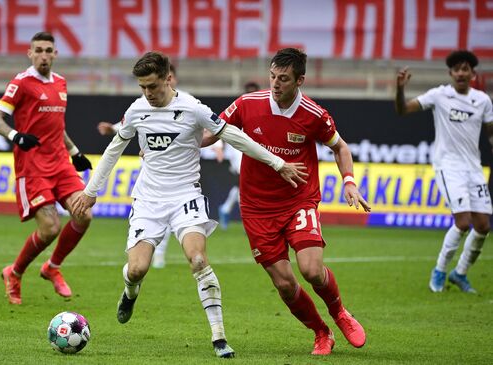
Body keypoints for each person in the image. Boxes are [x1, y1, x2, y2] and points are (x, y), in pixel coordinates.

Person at [73, 51, 307, 358]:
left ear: (168, 78)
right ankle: (130, 291)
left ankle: (219, 337)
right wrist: (91, 191)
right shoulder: (137, 111)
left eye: (153, 86)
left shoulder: (192, 108)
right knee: (137, 269)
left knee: (198, 260)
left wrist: (277, 163)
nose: (148, 94)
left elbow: (234, 135)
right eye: (142, 87)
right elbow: (114, 150)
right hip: (149, 200)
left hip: (186, 195)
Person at [205, 48, 371, 356]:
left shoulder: (314, 114)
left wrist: (349, 181)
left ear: (300, 80)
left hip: (298, 199)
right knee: (284, 284)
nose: (276, 83)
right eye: (272, 76)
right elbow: (211, 133)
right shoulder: (247, 104)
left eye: (283, 78)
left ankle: (340, 312)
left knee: (311, 270)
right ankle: (321, 332)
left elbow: (341, 147)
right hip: (256, 207)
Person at [0, 31, 93, 305]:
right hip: (33, 166)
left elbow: (57, 127)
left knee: (84, 215)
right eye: (39, 50)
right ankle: (14, 272)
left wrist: (75, 152)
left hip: (60, 163)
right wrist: (16, 136)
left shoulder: (60, 83)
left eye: (48, 50)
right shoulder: (21, 83)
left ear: (55, 54)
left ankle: (52, 267)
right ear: (30, 53)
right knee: (49, 228)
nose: (44, 55)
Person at [395, 50, 493, 294]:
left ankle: (459, 273)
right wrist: (400, 90)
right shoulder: (439, 95)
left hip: (474, 167)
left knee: (482, 226)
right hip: (448, 166)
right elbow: (403, 110)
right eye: (457, 69)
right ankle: (439, 270)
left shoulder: (482, 100)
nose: (461, 72)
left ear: (472, 74)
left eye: (465, 69)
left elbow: (491, 132)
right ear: (450, 73)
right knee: (463, 221)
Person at [96, 64, 181, 269]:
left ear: (170, 79)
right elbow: (132, 121)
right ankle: (142, 252)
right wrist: (113, 129)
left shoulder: (185, 104)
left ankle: (158, 255)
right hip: (152, 170)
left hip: (177, 173)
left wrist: (216, 146)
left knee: (171, 215)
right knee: (149, 214)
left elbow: (205, 128)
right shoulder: (145, 103)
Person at [217, 81, 261, 229]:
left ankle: (226, 209)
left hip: (253, 149)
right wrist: (221, 148)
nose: (251, 95)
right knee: (245, 183)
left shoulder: (262, 109)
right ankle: (248, 220)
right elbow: (223, 127)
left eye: (253, 92)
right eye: (248, 92)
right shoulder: (239, 107)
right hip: (238, 149)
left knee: (242, 186)